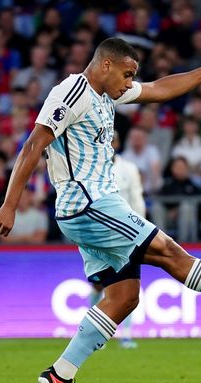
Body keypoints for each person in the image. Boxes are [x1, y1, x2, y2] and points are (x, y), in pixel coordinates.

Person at [0, 38, 201, 383]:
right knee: (168, 252)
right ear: (105, 66)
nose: (130, 83)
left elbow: (160, 90)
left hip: (90, 208)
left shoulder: (108, 95)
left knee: (124, 297)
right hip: (88, 203)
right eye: (127, 74)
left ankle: (60, 374)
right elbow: (33, 145)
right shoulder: (71, 91)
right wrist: (10, 205)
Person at [87, 131, 144, 349]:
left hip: (127, 233)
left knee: (128, 285)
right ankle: (93, 334)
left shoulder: (129, 169)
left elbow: (137, 201)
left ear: (117, 143)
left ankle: (126, 334)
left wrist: (140, 233)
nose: (108, 143)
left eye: (112, 140)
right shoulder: (89, 168)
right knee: (99, 286)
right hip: (97, 235)